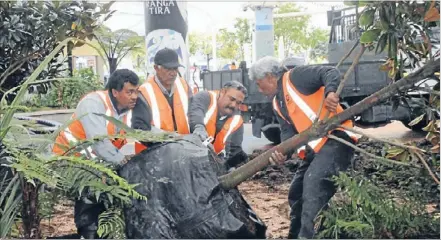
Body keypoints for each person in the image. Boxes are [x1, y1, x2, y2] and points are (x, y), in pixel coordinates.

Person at [248, 56, 358, 239]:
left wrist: (331, 92)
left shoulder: (295, 77)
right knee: (296, 192)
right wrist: (284, 153)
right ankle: (297, 235)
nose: (260, 90)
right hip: (316, 150)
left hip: (337, 139)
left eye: (259, 84)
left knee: (313, 187)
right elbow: (287, 135)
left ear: (269, 76)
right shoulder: (277, 103)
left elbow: (330, 72)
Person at [52, 69, 140, 239]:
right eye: (130, 92)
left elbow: (145, 129)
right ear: (115, 92)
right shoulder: (94, 103)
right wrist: (123, 162)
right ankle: (89, 232)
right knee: (93, 193)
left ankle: (104, 231)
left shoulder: (127, 108)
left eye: (136, 91)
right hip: (69, 161)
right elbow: (100, 144)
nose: (135, 96)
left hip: (97, 163)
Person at [131, 48, 192, 139]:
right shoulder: (144, 92)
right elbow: (140, 128)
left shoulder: (184, 86)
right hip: (153, 150)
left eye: (175, 68)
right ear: (156, 68)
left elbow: (193, 113)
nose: (173, 73)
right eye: (168, 69)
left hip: (182, 148)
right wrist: (170, 137)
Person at [188, 81, 248, 170]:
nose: (233, 105)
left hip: (210, 165)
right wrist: (198, 127)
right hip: (187, 158)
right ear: (223, 92)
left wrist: (232, 166)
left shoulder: (237, 121)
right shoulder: (205, 97)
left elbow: (235, 150)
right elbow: (196, 111)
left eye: (238, 103)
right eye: (231, 99)